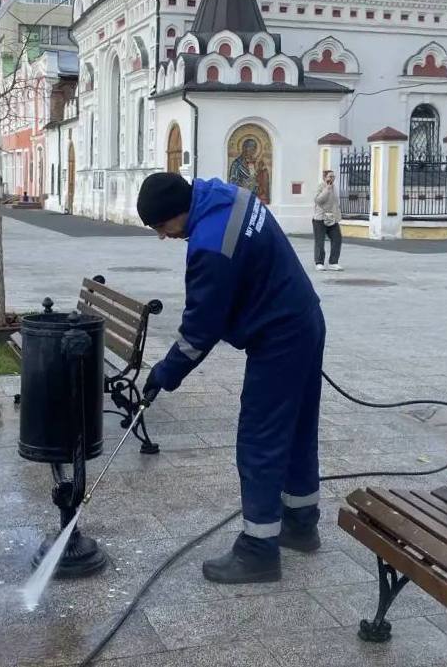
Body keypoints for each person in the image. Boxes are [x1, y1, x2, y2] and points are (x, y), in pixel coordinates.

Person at [137, 172, 326, 585]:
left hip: (279, 337)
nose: (164, 237)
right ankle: (300, 523)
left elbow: (200, 329)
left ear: (176, 213)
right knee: (296, 429)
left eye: (161, 228)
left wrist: (164, 373)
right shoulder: (219, 193)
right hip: (304, 319)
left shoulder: (209, 246)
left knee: (259, 439)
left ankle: (258, 550)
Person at [313, 170, 343, 272]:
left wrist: (337, 215)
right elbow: (318, 200)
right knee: (320, 241)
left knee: (337, 239)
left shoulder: (334, 187)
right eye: (330, 176)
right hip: (320, 218)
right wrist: (327, 190)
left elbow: (335, 203)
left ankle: (333, 262)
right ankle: (319, 263)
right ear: (325, 177)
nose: (332, 178)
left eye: (333, 176)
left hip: (332, 218)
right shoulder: (321, 186)